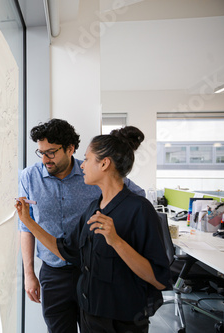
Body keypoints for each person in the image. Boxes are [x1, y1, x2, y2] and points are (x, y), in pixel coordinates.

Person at [16, 126, 171, 333]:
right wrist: (28, 221)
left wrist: (116, 239)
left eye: (87, 160)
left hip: (118, 310)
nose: (83, 166)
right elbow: (63, 249)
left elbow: (159, 279)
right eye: (41, 153)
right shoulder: (93, 209)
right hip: (86, 301)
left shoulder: (138, 209)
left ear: (104, 163)